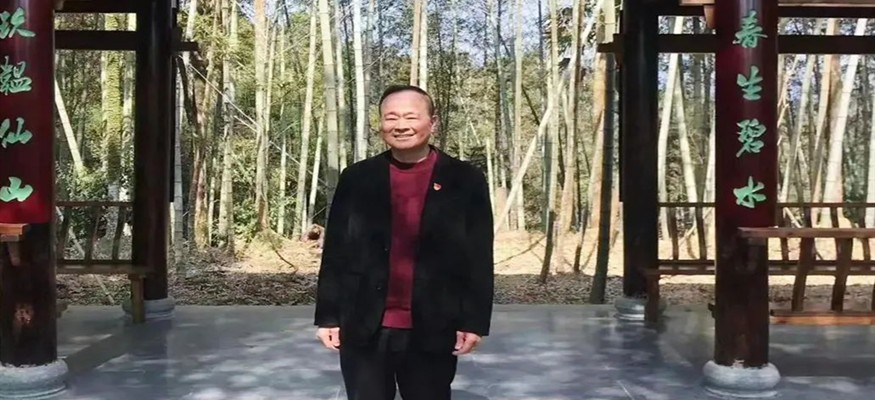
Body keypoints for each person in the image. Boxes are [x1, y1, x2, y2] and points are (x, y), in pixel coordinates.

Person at [314, 84, 494, 400]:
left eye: (411, 117)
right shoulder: (357, 177)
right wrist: (328, 315)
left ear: (432, 123)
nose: (400, 125)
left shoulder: (464, 179)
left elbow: (478, 256)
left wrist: (474, 321)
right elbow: (337, 251)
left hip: (433, 323)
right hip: (364, 322)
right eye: (391, 117)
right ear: (381, 124)